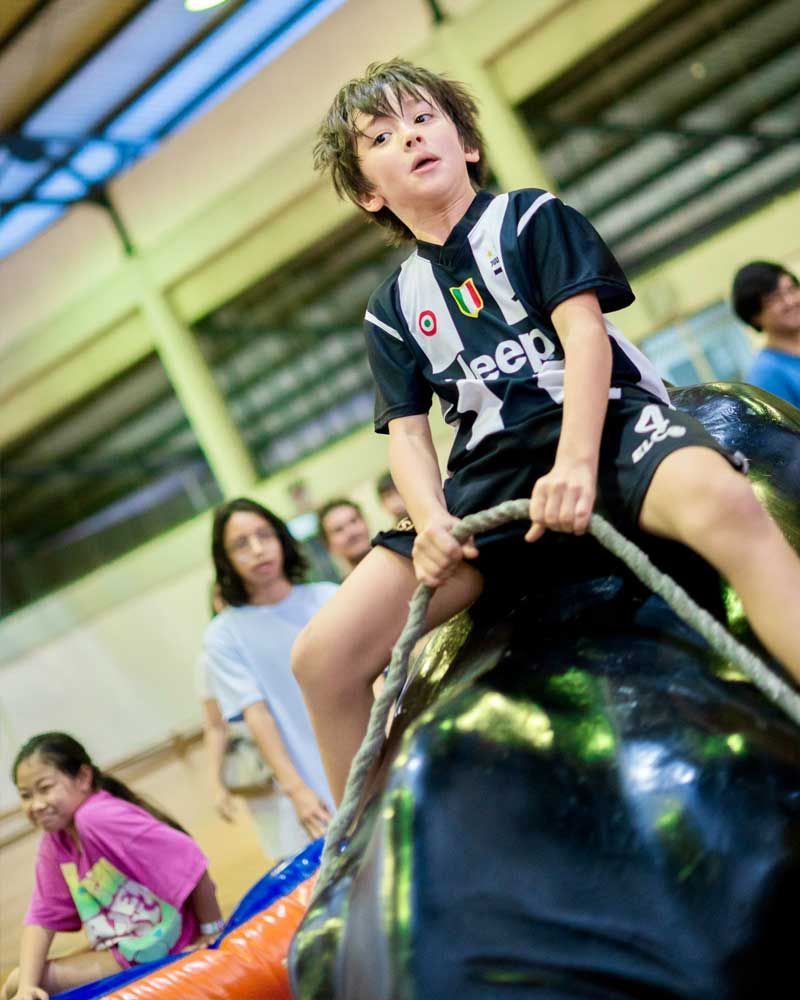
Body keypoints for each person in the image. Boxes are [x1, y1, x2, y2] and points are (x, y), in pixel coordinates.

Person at [291, 59, 800, 806]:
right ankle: (354, 876)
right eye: (382, 135)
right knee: (321, 659)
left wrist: (575, 465)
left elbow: (587, 338)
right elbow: (407, 437)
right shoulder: (391, 307)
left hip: (609, 426)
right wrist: (432, 523)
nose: (410, 137)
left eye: (425, 118)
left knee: (726, 507)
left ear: (466, 142)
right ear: (370, 192)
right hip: (490, 479)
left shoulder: (532, 218)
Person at [2, 733, 222, 1000]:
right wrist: (28, 986)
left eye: (45, 788)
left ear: (83, 778)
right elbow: (42, 917)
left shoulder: (96, 817)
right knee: (21, 980)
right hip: (126, 947)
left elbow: (190, 858)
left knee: (22, 980)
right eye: (26, 795)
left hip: (162, 946)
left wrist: (211, 931)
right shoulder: (56, 841)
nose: (36, 805)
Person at [204, 498, 336, 853]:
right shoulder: (224, 634)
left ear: (281, 538)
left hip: (367, 757)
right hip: (306, 784)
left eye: (264, 535)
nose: (258, 550)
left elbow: (377, 679)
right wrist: (297, 789)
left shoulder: (329, 599)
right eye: (241, 544)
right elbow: (256, 713)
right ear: (225, 558)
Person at [197, 585, 282, 860]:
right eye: (222, 598)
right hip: (257, 765)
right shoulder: (209, 659)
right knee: (284, 844)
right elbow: (214, 725)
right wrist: (216, 782)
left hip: (296, 743)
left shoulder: (273, 634)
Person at [731, 260, 800, 409]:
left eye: (792, 290)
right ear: (754, 315)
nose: (790, 302)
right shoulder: (766, 375)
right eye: (775, 298)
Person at [317, 498, 372, 574]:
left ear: (365, 522)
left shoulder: (394, 553)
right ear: (328, 545)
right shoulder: (346, 586)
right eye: (338, 529)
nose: (351, 532)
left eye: (353, 521)